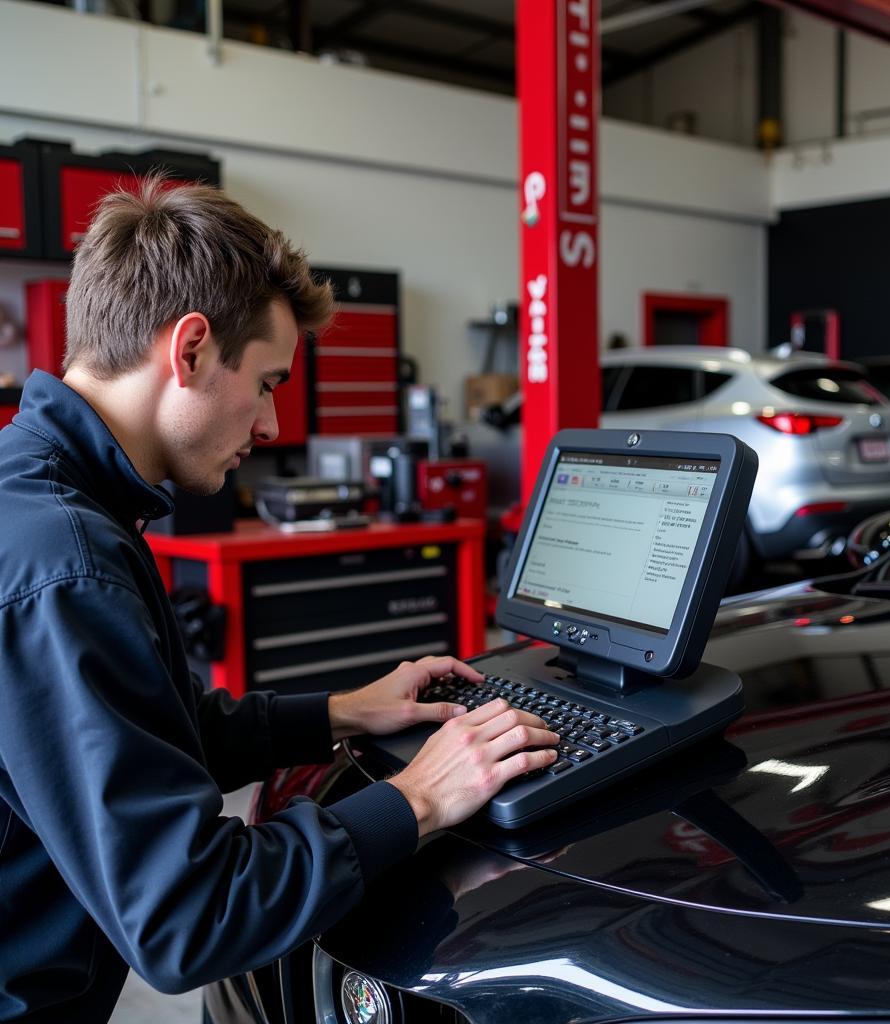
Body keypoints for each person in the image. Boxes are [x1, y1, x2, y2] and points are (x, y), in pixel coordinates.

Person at [0, 177, 560, 1022]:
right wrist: (420, 798)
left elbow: (154, 738)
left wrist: (342, 712)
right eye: (266, 381)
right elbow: (190, 915)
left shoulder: (46, 500)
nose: (269, 424)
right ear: (188, 350)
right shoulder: (66, 563)